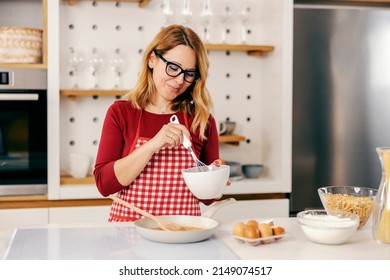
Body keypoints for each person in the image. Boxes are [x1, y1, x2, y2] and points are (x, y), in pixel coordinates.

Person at [94, 24, 222, 222]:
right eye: (173, 68)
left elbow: (207, 198)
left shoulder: (202, 120)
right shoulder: (121, 113)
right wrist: (153, 145)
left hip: (182, 236)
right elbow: (105, 184)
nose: (180, 81)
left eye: (189, 73)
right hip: (129, 238)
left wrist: (216, 180)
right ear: (152, 59)